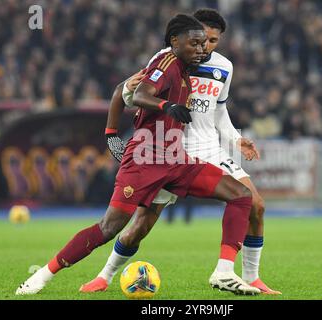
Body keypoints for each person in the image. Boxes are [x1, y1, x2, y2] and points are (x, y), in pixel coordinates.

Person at [16, 14, 259, 296]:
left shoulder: (185, 68)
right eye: (195, 44)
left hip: (175, 158)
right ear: (175, 42)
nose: (202, 50)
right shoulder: (164, 63)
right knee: (109, 227)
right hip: (145, 158)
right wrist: (135, 122)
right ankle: (42, 276)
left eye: (205, 44)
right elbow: (132, 93)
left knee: (241, 195)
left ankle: (224, 272)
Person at [81, 9, 280, 295]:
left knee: (255, 204)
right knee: (142, 223)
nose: (206, 47)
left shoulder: (225, 67)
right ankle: (105, 275)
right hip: (171, 150)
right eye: (203, 40)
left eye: (213, 41)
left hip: (208, 146)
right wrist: (116, 127)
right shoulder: (167, 58)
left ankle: (246, 276)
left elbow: (218, 110)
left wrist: (236, 139)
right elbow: (132, 92)